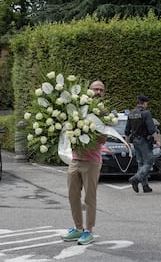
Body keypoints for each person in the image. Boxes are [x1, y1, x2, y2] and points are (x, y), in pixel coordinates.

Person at [60, 80, 106, 245]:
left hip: (92, 161)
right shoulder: (78, 108)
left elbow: (103, 138)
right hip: (75, 159)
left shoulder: (103, 113)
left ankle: (89, 230)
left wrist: (91, 131)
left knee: (90, 198)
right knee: (73, 196)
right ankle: (78, 228)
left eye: (101, 90)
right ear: (88, 91)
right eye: (95, 89)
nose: (98, 92)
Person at [125, 95, 161, 193]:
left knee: (141, 162)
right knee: (149, 161)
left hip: (135, 141)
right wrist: (157, 140)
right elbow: (151, 129)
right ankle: (136, 178)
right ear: (145, 103)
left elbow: (127, 130)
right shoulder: (146, 113)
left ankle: (145, 186)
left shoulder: (131, 113)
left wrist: (127, 141)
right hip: (144, 140)